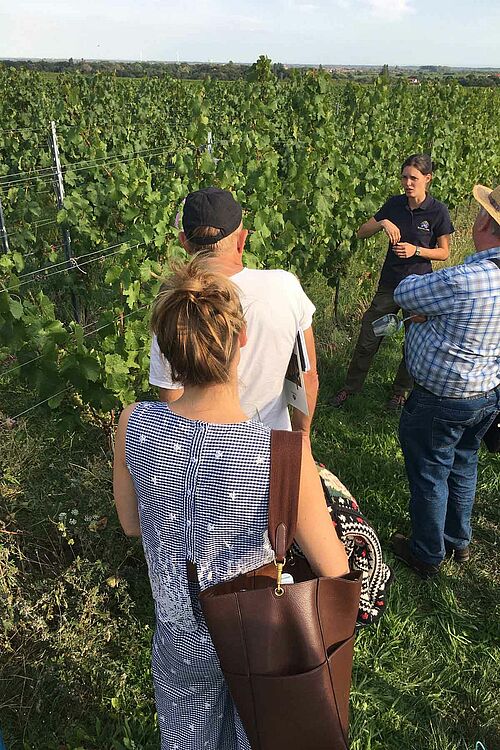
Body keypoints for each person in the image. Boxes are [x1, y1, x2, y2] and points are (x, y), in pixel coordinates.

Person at [114, 257, 349, 750]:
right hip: (260, 640)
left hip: (178, 639)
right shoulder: (283, 455)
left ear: (167, 348)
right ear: (242, 340)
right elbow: (335, 568)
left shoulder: (133, 423)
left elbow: (132, 524)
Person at [392, 183, 500, 578]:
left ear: (487, 221)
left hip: (442, 397)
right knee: (464, 465)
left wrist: (430, 313)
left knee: (430, 473)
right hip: (487, 394)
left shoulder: (467, 279)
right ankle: (459, 541)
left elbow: (406, 292)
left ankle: (427, 556)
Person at [149, 187, 318, 432]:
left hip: (209, 452)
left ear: (184, 243)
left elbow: (171, 393)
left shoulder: (178, 302)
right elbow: (308, 377)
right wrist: (300, 440)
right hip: (274, 442)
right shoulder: (286, 286)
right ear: (242, 240)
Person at [330, 154, 454, 410]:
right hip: (391, 285)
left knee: (413, 343)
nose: (408, 183)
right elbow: (361, 232)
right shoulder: (394, 205)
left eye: (414, 178)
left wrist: (416, 251)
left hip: (420, 289)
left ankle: (399, 393)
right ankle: (350, 388)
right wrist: (383, 222)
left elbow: (444, 252)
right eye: (404, 177)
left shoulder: (437, 211)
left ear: (427, 179)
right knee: (369, 336)